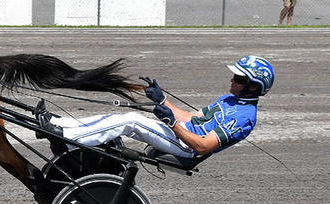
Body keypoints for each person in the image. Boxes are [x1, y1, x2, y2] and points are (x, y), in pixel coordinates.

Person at [35, 56, 275, 158]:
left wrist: (170, 122)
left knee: (130, 121)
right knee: (120, 117)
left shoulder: (245, 117)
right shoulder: (229, 100)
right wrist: (162, 101)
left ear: (253, 87)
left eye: (239, 79)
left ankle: (66, 138)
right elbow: (192, 118)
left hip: (186, 148)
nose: (232, 80)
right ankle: (58, 124)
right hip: (181, 133)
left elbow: (202, 146)